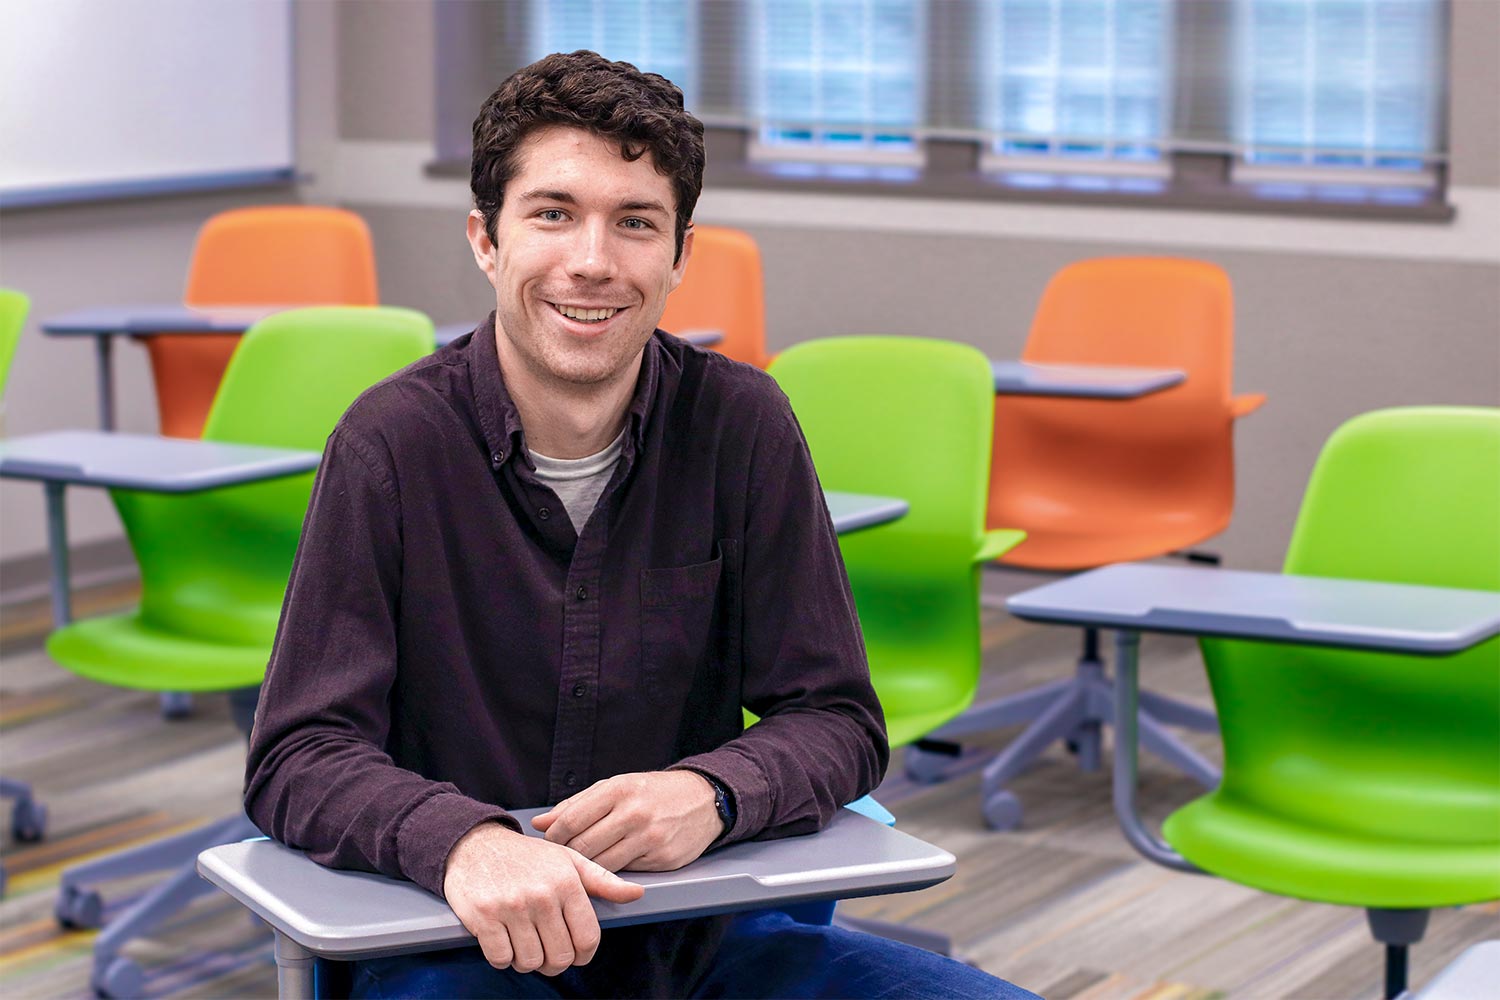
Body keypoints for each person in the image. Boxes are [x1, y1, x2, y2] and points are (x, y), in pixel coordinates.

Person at [244, 50, 1036, 1000]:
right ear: (486, 240)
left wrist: (712, 791)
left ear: (678, 255)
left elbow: (837, 721)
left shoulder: (742, 424)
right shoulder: (392, 443)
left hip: (701, 943)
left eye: (634, 223)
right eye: (552, 213)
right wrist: (464, 840)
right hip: (463, 949)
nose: (592, 261)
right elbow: (296, 756)